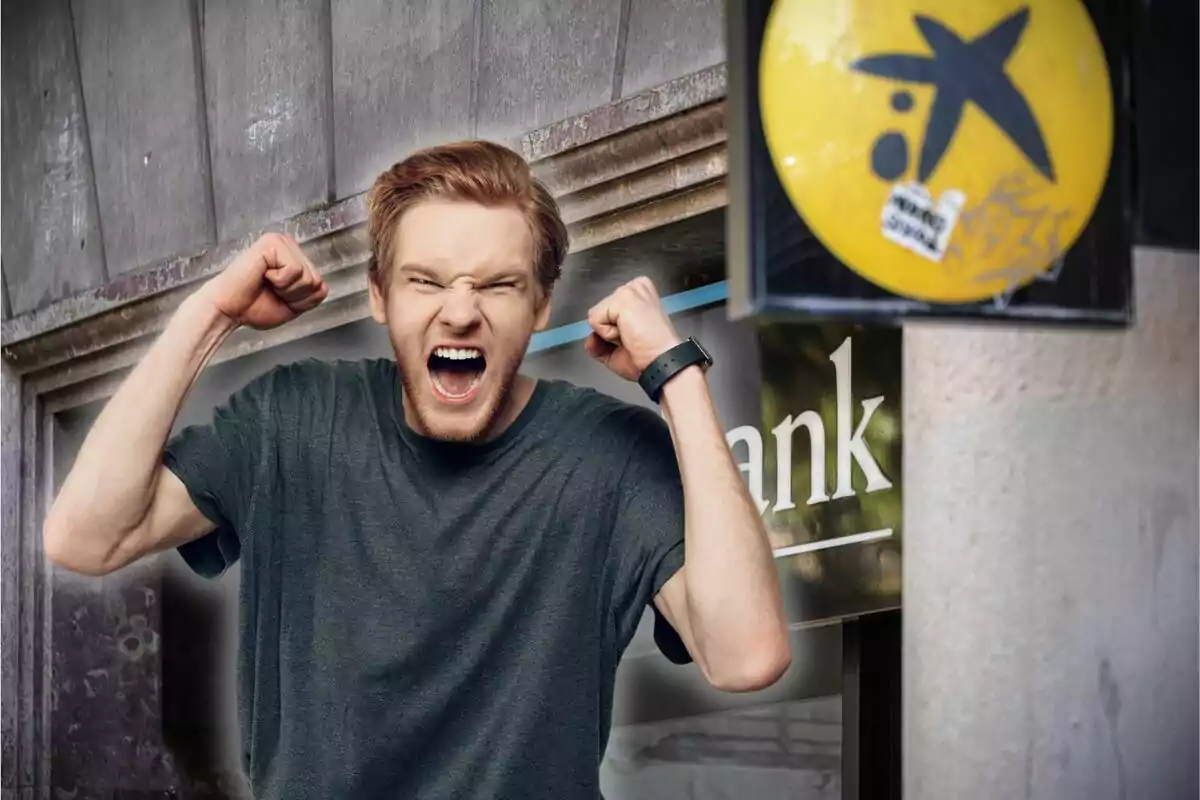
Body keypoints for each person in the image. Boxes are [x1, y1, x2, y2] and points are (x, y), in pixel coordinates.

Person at [44, 141, 790, 799]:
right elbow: (86, 537)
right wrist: (210, 314)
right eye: (426, 282)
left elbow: (747, 654)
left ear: (539, 305)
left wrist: (676, 375)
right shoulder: (292, 420)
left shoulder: (608, 457)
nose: (460, 314)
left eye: (497, 285)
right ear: (379, 296)